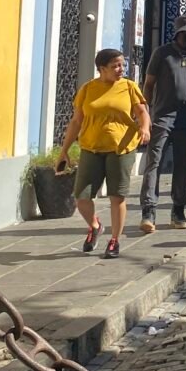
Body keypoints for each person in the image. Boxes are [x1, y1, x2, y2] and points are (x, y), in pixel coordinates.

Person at [55, 49, 150, 258]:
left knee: (117, 197)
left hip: (121, 149)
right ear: (102, 69)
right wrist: (64, 150)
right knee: (81, 197)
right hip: (91, 148)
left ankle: (114, 241)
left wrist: (144, 128)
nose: (120, 69)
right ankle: (95, 226)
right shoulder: (88, 89)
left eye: (122, 65)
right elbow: (76, 121)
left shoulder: (128, 87)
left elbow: (142, 112)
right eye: (115, 66)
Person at [139, 15, 186, 232]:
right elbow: (149, 84)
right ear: (181, 31)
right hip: (162, 117)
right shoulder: (162, 53)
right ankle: (149, 210)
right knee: (154, 162)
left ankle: (178, 209)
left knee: (184, 165)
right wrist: (145, 113)